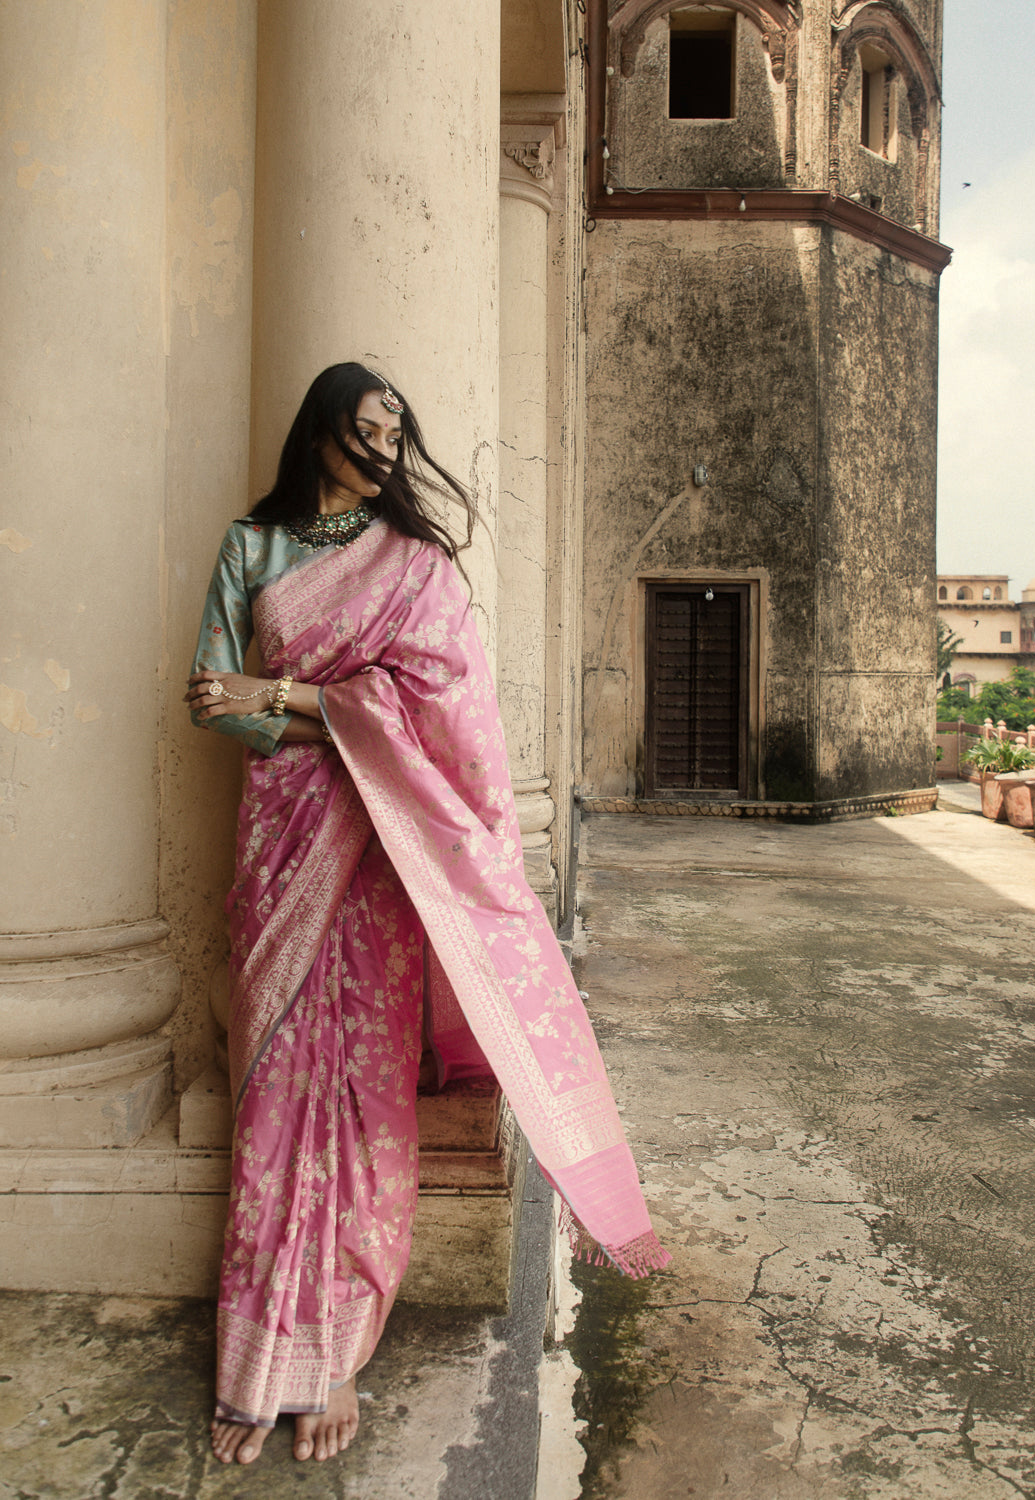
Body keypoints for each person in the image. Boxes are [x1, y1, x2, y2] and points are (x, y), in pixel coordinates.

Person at [186, 362, 667, 1467]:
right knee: (271, 1099)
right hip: (284, 846)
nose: (389, 448)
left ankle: (336, 1355)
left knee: (359, 1090)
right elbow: (214, 698)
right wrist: (294, 715)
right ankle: (260, 1359)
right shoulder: (250, 549)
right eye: (368, 429)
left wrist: (290, 699)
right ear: (321, 436)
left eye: (399, 431)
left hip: (381, 855)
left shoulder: (418, 567)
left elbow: (446, 716)